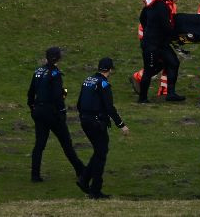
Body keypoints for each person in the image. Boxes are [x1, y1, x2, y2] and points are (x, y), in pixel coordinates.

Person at [27, 46, 84, 182]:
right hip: (52, 113)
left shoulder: (38, 71)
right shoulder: (55, 74)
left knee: (39, 144)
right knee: (66, 143)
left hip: (39, 111)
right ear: (58, 58)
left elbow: (30, 93)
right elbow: (57, 96)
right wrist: (62, 111)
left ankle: (35, 175)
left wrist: (32, 107)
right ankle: (80, 169)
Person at [76, 57, 129, 199]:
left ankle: (85, 179)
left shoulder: (88, 80)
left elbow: (79, 103)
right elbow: (110, 108)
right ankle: (94, 190)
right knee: (101, 154)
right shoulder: (104, 84)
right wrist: (121, 125)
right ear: (110, 69)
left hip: (85, 120)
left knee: (99, 151)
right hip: (96, 122)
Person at [138, 0, 186, 103]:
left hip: (160, 43)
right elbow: (167, 26)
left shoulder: (153, 3)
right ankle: (142, 98)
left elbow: (142, 18)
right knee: (149, 70)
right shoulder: (160, 6)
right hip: (152, 44)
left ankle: (170, 93)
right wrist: (177, 37)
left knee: (174, 62)